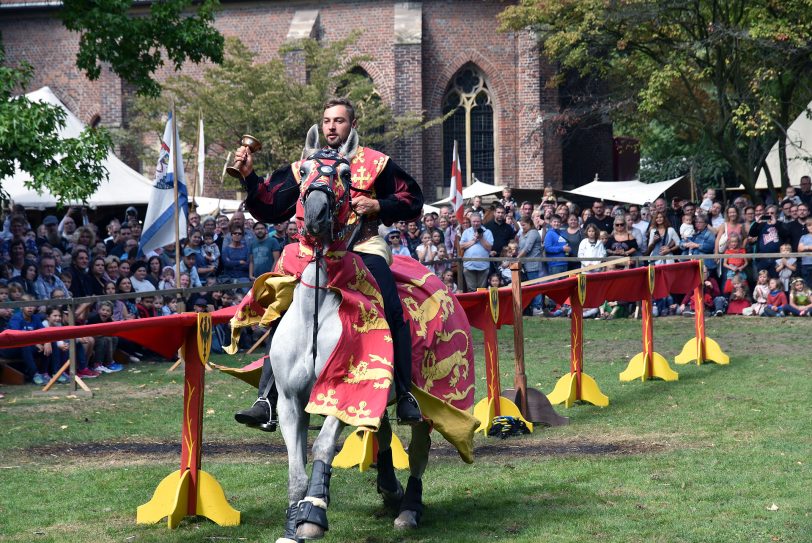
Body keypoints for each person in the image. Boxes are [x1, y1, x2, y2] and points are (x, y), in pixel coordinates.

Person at [232, 97, 423, 428]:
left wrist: (378, 204)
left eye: (339, 121)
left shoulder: (376, 163)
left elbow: (413, 200)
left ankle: (405, 393)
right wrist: (249, 178)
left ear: (353, 125)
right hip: (314, 251)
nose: (332, 126)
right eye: (327, 121)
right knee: (282, 304)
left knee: (392, 306)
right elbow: (269, 206)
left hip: (362, 247)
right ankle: (267, 398)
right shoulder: (306, 165)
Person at [459, 212, 493, 291]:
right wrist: (473, 241)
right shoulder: (466, 232)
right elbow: (461, 246)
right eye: (474, 221)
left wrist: (481, 238)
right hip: (469, 265)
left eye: (478, 221)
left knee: (481, 290)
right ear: (470, 222)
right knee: (471, 290)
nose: (476, 223)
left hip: (483, 266)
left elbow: (489, 248)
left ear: (481, 221)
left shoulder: (487, 232)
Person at [517, 216, 544, 315]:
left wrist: (516, 259)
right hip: (525, 265)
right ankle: (530, 307)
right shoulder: (524, 233)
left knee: (535, 286)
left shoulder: (533, 233)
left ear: (530, 224)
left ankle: (537, 307)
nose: (522, 227)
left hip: (533, 265)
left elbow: (527, 248)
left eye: (524, 225)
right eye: (521, 225)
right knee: (529, 287)